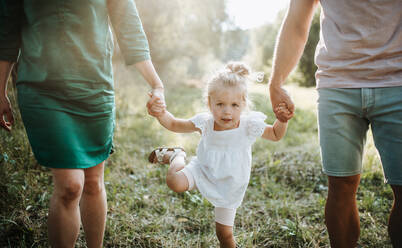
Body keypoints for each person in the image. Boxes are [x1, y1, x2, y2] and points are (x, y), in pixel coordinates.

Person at [0, 0, 165, 247]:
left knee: (93, 180)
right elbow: (7, 32)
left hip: (94, 87)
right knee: (69, 185)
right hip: (42, 87)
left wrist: (156, 84)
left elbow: (128, 25)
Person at [268, 0, 402, 247]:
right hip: (336, 84)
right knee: (340, 185)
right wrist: (276, 81)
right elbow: (297, 22)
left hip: (397, 83)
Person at [146, 62, 290, 248]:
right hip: (202, 169)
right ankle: (177, 155)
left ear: (243, 104)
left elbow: (276, 135)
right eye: (220, 104)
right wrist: (160, 113)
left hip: (230, 185)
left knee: (224, 234)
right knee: (174, 182)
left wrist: (282, 120)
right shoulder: (205, 123)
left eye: (234, 105)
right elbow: (174, 124)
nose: (227, 111)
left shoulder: (248, 126)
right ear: (210, 103)